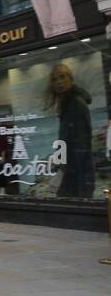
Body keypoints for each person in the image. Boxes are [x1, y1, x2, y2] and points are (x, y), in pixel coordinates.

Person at [47, 63, 95, 198]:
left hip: (78, 178)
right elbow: (67, 140)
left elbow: (80, 145)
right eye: (55, 79)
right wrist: (57, 159)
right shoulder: (67, 105)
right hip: (74, 176)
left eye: (62, 77)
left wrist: (62, 172)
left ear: (71, 79)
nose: (59, 82)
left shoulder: (76, 104)